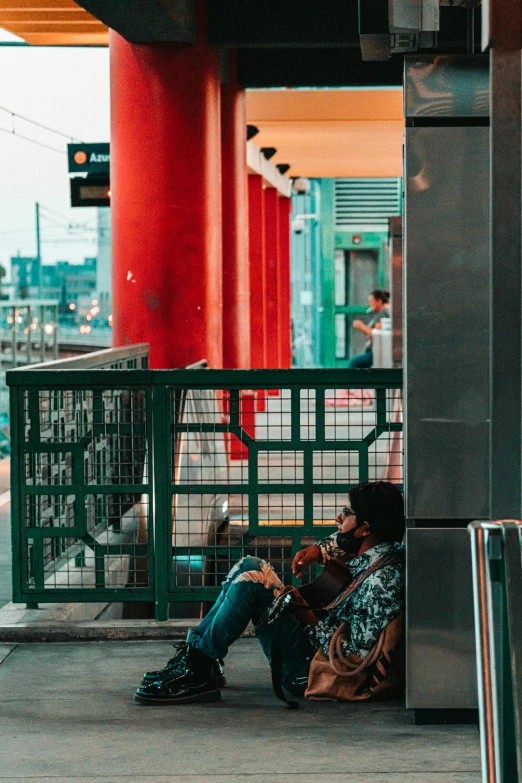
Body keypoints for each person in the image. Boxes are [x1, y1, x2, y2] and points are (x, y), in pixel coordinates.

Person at [134, 480, 405, 706]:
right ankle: (199, 658)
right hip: (312, 645)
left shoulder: (381, 581)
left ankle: (198, 669)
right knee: (250, 565)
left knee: (253, 581)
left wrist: (309, 617)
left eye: (346, 513)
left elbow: (354, 657)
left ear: (366, 528)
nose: (338, 519)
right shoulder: (378, 551)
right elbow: (344, 538)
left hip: (309, 669)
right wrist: (319, 550)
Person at [348, 289, 390, 369]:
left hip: (376, 352)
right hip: (375, 351)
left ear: (379, 301)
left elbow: (377, 334)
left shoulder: (383, 314)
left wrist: (361, 326)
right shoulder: (381, 314)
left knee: (353, 364)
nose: (370, 304)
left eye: (371, 301)